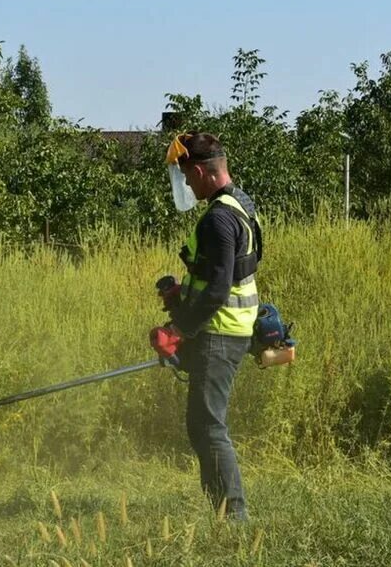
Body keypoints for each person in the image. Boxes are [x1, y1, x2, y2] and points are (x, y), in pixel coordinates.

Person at [150, 132, 262, 522]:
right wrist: (187, 290)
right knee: (205, 424)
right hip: (229, 329)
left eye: (186, 177)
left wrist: (180, 328)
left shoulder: (218, 218)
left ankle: (234, 518)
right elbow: (226, 274)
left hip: (219, 332)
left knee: (207, 425)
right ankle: (226, 512)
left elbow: (217, 291)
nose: (186, 186)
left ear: (199, 171)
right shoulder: (241, 204)